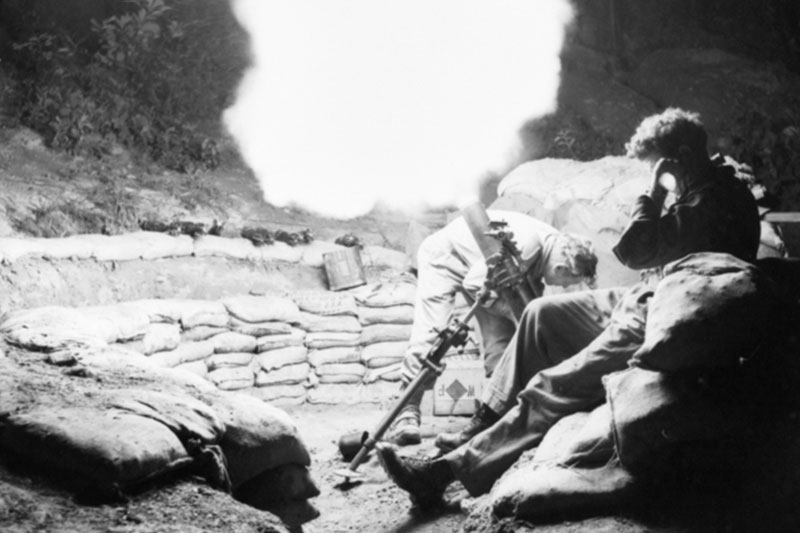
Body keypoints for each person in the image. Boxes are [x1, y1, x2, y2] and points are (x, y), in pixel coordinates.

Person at [376, 107, 761, 507]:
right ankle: (482, 421)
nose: (659, 176)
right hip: (648, 295)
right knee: (539, 315)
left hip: (669, 317)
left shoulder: (714, 200)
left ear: (678, 157)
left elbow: (634, 249)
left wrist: (655, 188)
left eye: (660, 166)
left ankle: (446, 473)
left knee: (552, 386)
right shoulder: (701, 189)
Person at [386, 209, 598, 445]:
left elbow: (528, 303)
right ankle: (406, 411)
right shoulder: (530, 246)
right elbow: (476, 283)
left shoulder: (555, 247)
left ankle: (496, 415)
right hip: (446, 259)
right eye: (568, 283)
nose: (565, 288)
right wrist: (511, 312)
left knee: (503, 345)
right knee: (433, 335)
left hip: (485, 270)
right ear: (561, 269)